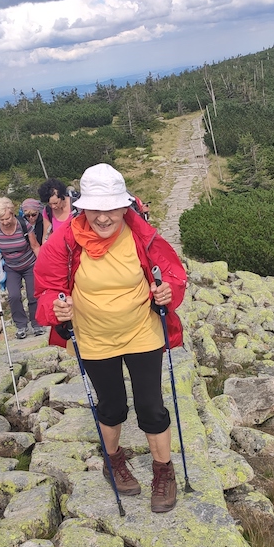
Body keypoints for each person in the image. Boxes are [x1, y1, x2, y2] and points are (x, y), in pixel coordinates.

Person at [34, 163, 187, 512]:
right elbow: (46, 288)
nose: (103, 218)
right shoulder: (64, 242)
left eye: (111, 209)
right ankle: (113, 460)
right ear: (82, 208)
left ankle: (164, 471)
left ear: (124, 206)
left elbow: (173, 276)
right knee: (112, 405)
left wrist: (167, 293)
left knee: (150, 405)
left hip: (142, 331)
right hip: (93, 337)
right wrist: (55, 308)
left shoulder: (142, 234)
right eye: (95, 210)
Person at [0, 196, 44, 338]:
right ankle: (21, 325)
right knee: (13, 296)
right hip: (11, 266)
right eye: (2, 219)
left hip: (29, 264)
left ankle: (37, 323)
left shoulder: (24, 225)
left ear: (13, 213)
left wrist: (43, 266)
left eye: (8, 218)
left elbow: (35, 246)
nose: (5, 222)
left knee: (33, 295)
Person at [38, 178, 73, 243]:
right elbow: (46, 235)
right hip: (60, 249)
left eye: (55, 203)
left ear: (62, 196)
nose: (53, 207)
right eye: (49, 204)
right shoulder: (48, 211)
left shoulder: (76, 206)